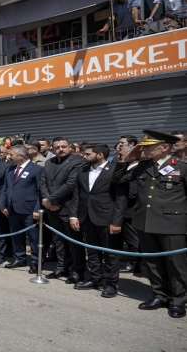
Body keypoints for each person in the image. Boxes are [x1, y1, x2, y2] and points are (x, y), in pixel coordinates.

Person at [113, 130, 187, 318]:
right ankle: (159, 295)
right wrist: (125, 161)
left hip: (173, 224)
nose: (143, 149)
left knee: (175, 264)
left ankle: (178, 300)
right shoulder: (142, 166)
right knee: (152, 263)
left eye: (148, 146)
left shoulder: (181, 167)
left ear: (164, 147)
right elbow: (118, 180)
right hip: (145, 222)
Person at [69, 144, 127, 298]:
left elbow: (121, 199)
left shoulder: (114, 170)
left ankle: (110, 283)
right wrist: (73, 215)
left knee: (110, 253)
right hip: (86, 217)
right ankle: (95, 278)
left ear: (100, 155)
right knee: (92, 251)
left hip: (107, 218)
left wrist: (117, 221)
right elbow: (77, 194)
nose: (84, 156)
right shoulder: (83, 170)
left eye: (87, 154)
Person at [40, 137, 86, 284]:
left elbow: (71, 184)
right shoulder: (49, 162)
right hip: (52, 209)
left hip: (68, 207)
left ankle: (77, 271)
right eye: (57, 147)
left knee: (74, 242)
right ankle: (61, 267)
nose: (61, 149)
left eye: (63, 146)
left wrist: (50, 200)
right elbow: (43, 183)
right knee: (58, 241)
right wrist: (48, 202)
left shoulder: (77, 162)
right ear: (52, 149)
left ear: (69, 147)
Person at [0, 145, 44, 273]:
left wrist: (37, 209)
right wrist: (3, 205)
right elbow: (5, 188)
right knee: (16, 236)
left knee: (34, 238)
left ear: (21, 156)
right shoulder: (10, 169)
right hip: (12, 209)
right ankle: (19, 258)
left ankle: (36, 262)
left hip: (29, 210)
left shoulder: (36, 169)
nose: (9, 156)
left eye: (11, 154)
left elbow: (40, 191)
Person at [118, 145, 142, 274]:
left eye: (122, 155)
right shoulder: (128, 168)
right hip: (127, 210)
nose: (119, 157)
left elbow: (132, 192)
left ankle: (133, 265)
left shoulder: (135, 169)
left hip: (130, 211)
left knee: (133, 240)